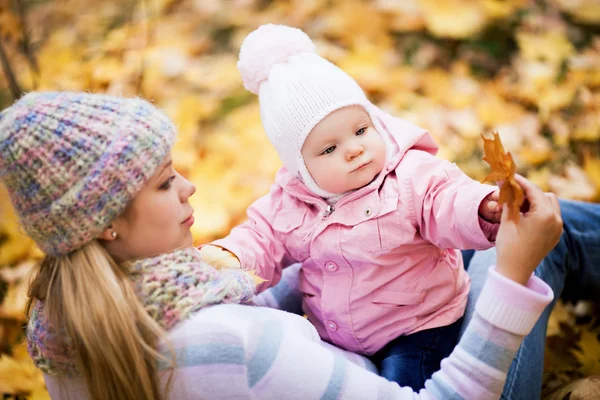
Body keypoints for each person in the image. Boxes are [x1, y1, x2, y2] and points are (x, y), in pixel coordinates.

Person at [0, 90, 569, 400]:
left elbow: (265, 296)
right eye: (165, 181)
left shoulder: (70, 325)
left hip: (355, 341)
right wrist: (513, 277)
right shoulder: (224, 348)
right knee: (531, 232)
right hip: (417, 379)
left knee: (441, 227)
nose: (190, 186)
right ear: (105, 223)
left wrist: (337, 242)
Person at [198, 23, 502, 389]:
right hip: (335, 333)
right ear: (301, 168)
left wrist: (480, 207)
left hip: (417, 325)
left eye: (360, 130)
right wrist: (228, 256)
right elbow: (260, 237)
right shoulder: (290, 202)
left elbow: (444, 199)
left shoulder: (408, 177)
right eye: (329, 148)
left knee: (406, 385)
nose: (355, 148)